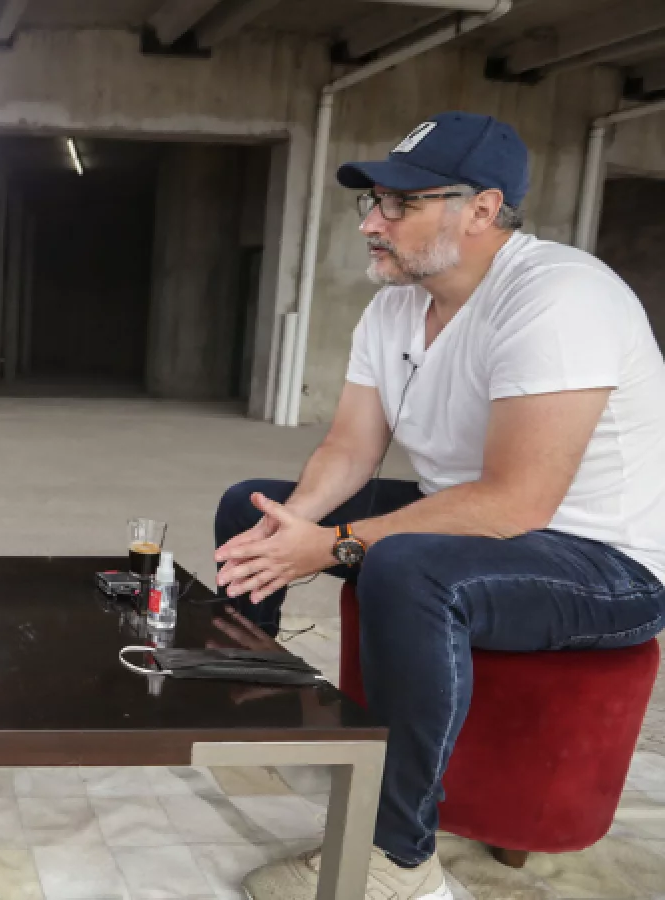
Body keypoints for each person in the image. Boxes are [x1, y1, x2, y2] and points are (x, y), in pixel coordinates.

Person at [212, 111, 665, 900]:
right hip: (475, 516)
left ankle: (398, 859)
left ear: (482, 210)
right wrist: (296, 524)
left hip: (604, 562)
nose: (371, 223)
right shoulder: (396, 306)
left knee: (406, 569)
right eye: (373, 202)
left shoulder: (560, 298)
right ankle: (255, 712)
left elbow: (515, 502)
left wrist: (334, 545)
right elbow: (349, 450)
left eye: (400, 204)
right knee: (251, 505)